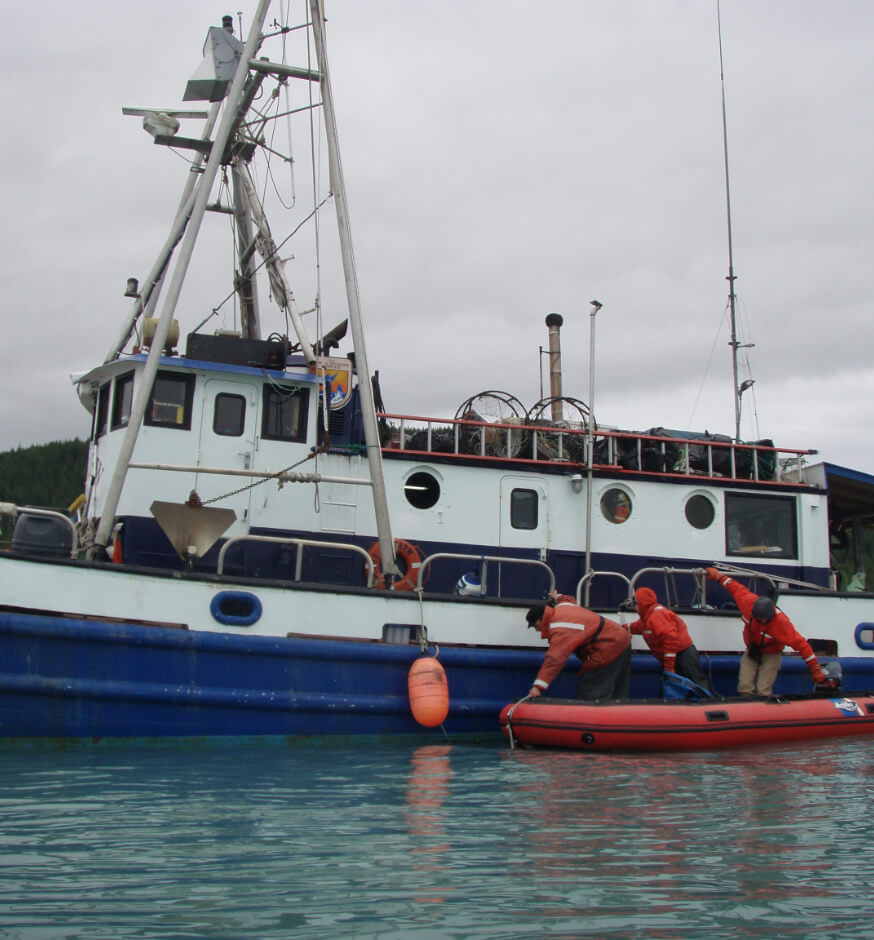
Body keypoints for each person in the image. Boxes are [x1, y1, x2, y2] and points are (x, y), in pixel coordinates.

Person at [705, 567, 829, 695]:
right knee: (744, 686)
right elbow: (734, 587)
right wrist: (718, 576)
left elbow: (802, 646)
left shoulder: (782, 624)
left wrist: (815, 670)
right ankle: (748, 709)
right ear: (754, 613)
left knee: (763, 690)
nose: (763, 622)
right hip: (752, 650)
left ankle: (763, 707)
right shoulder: (747, 602)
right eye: (760, 619)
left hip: (772, 654)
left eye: (766, 620)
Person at [526, 591, 631, 700]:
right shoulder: (562, 607)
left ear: (541, 619)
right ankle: (618, 713)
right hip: (622, 639)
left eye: (535, 625)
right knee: (618, 693)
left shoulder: (560, 627)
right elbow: (568, 600)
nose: (537, 630)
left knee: (591, 690)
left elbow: (555, 658)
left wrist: (538, 687)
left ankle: (594, 713)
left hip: (608, 646)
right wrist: (557, 597)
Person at [625, 587, 712, 692]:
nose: (634, 607)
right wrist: (621, 628)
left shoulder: (657, 616)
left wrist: (669, 667)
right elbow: (639, 627)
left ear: (641, 604)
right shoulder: (648, 617)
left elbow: (670, 639)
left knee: (695, 689)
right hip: (677, 657)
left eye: (635, 604)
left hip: (683, 657)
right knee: (678, 690)